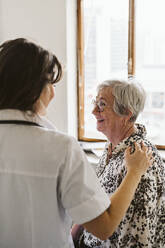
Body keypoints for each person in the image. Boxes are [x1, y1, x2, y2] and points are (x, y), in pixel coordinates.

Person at [0, 39, 152, 248]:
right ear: (32, 88)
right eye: (50, 84)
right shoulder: (61, 149)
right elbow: (103, 226)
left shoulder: (145, 158)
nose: (53, 93)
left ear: (126, 113)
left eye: (102, 104)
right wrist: (134, 172)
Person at [81, 79, 165, 248]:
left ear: (126, 114)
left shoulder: (141, 159)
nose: (93, 110)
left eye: (102, 104)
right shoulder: (112, 146)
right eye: (95, 103)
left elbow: (138, 236)